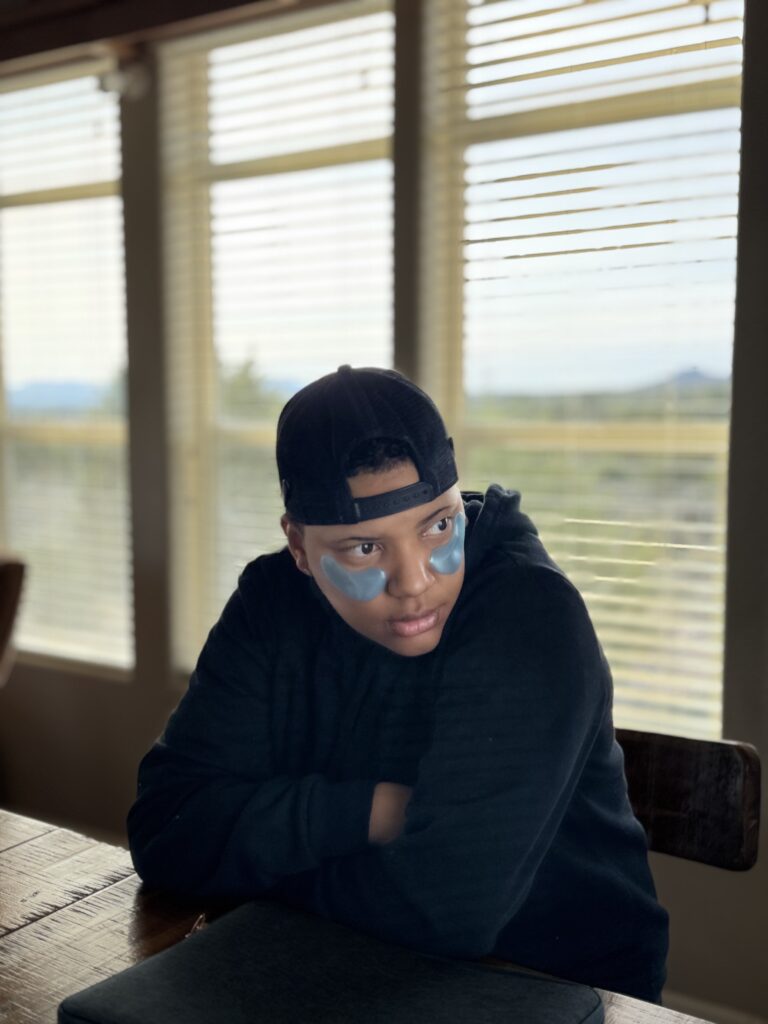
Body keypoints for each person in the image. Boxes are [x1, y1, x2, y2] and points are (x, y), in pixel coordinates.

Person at [127, 364, 669, 1003]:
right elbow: (167, 830)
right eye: (363, 549)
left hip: (552, 989)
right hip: (321, 967)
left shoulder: (529, 615)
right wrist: (379, 811)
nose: (413, 581)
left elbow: (446, 913)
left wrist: (249, 866)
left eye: (438, 525)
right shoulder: (270, 603)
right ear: (299, 547)